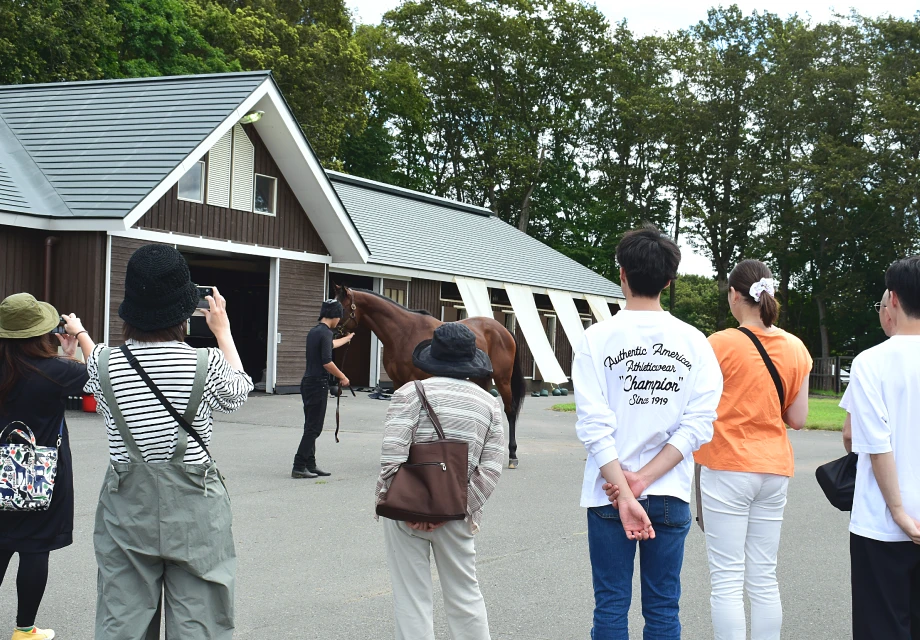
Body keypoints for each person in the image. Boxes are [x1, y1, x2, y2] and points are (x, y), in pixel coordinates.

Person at [83, 244, 253, 639]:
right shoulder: (206, 362)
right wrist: (223, 331)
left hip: (127, 502)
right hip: (195, 501)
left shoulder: (103, 361)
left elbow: (105, 409)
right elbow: (239, 392)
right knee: (201, 620)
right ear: (184, 308)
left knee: (121, 617)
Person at [573, 223, 723, 639]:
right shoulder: (696, 343)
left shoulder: (595, 339)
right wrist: (645, 480)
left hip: (607, 491)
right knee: (662, 609)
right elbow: (698, 426)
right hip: (670, 491)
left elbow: (593, 425)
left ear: (621, 273)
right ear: (669, 280)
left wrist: (624, 488)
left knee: (610, 606)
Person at [692, 259, 811, 640]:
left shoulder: (719, 344)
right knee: (763, 575)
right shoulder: (796, 347)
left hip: (727, 464)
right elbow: (798, 418)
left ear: (734, 294)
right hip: (774, 467)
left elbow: (697, 407)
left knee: (726, 578)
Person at [375, 323, 504, 640]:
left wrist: (409, 507)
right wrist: (455, 506)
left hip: (404, 511)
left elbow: (392, 458)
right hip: (458, 513)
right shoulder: (488, 403)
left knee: (411, 596)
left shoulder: (409, 393)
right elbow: (491, 467)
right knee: (465, 594)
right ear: (470, 362)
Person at [0, 293, 95, 640]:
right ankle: (24, 630)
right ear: (42, 332)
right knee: (34, 547)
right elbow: (100, 375)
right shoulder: (58, 371)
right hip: (40, 475)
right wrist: (79, 337)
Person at [842, 256, 920, 640]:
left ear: (892, 299)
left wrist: (899, 512)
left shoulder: (870, 363)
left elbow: (871, 443)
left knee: (882, 628)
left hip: (882, 522)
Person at [292, 299, 353, 478]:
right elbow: (327, 361)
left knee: (310, 425)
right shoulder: (326, 333)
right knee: (314, 428)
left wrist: (347, 339)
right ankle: (298, 466)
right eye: (339, 317)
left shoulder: (315, 331)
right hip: (318, 383)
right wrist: (343, 377)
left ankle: (310, 464)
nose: (339, 321)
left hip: (308, 382)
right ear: (335, 315)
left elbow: (330, 345)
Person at [842, 289, 895, 453]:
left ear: (890, 308)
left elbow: (850, 433)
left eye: (880, 306)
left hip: (879, 475)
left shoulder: (869, 362)